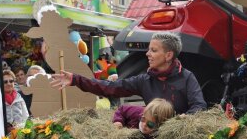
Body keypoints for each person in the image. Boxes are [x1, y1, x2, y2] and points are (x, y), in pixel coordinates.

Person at [51, 32, 207, 115]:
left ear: (168, 55)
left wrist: (184, 119)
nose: (147, 54)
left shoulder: (187, 77)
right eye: (148, 50)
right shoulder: (144, 80)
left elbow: (199, 106)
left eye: (153, 50)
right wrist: (75, 79)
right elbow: (110, 87)